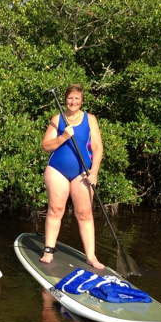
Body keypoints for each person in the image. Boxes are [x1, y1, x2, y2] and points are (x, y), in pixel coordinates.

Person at [41, 84, 104, 269]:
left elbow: (98, 148)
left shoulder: (90, 119)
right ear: (65, 99)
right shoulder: (57, 119)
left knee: (84, 214)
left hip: (82, 172)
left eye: (77, 98)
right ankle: (48, 251)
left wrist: (95, 171)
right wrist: (64, 137)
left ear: (82, 100)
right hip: (57, 170)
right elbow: (46, 146)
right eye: (70, 98)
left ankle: (91, 256)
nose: (73, 101)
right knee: (55, 209)